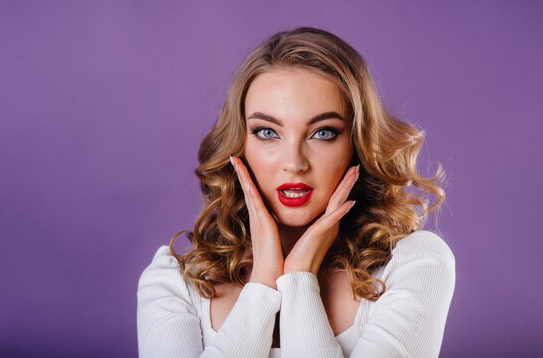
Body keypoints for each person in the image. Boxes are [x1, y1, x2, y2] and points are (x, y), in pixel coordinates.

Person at [137, 27, 455, 357]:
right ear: (240, 144)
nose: (294, 163)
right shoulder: (175, 282)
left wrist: (300, 280)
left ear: (357, 144)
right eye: (267, 132)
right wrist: (262, 285)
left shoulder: (414, 264)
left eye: (323, 133)